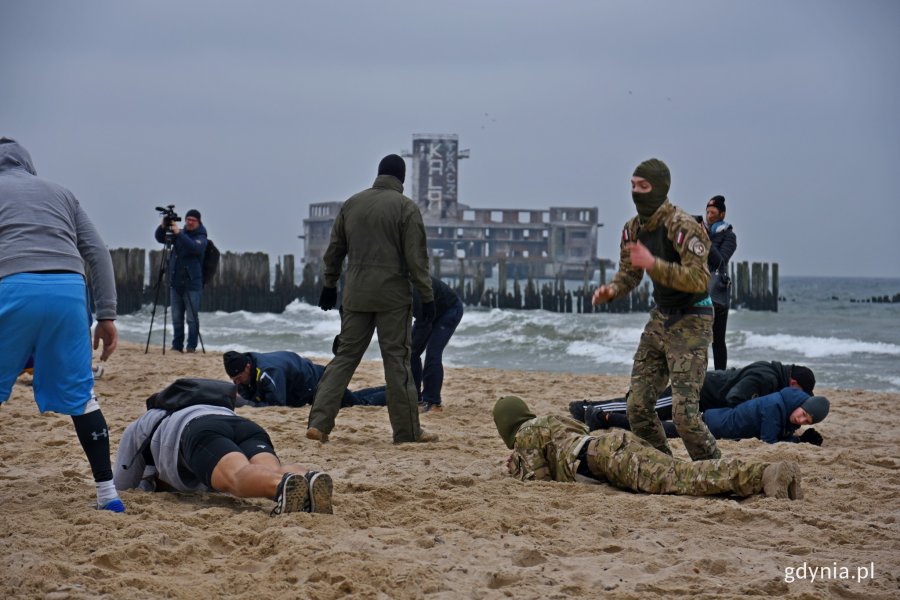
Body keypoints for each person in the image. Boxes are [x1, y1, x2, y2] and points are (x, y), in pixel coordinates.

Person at [0, 137, 123, 512]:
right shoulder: (60, 193)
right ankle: (108, 495)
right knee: (82, 397)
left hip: (11, 286)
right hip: (69, 291)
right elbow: (97, 252)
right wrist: (106, 315)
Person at [592, 158, 719, 461]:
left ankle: (714, 469)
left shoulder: (683, 226)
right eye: (632, 185)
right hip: (661, 318)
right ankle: (667, 466)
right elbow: (630, 273)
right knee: (636, 407)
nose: (636, 192)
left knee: (685, 417)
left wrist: (654, 264)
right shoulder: (632, 229)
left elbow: (700, 279)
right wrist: (612, 290)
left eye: (643, 186)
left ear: (660, 189)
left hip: (692, 319)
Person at [307, 154, 436, 444]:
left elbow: (335, 250)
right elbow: (417, 260)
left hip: (356, 294)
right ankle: (407, 432)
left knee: (344, 358)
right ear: (401, 179)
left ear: (379, 174)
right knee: (397, 362)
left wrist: (329, 284)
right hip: (393, 297)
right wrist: (426, 297)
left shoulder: (352, 204)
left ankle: (319, 424)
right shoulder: (406, 208)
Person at [493, 396, 802, 500]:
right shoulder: (549, 421)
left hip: (604, 458)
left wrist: (515, 468)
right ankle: (764, 476)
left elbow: (539, 483)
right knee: (679, 472)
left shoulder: (526, 434)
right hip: (612, 443)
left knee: (681, 478)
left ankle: (764, 474)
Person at [113, 381, 334, 515]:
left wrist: (147, 485)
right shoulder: (206, 405)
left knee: (237, 477)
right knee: (269, 470)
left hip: (199, 430)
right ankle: (308, 478)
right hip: (243, 425)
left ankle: (279, 485)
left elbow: (122, 486)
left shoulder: (141, 423)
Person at [571, 361, 816, 424]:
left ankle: (593, 409)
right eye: (801, 393)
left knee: (652, 413)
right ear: (793, 382)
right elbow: (736, 398)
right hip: (695, 389)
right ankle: (585, 408)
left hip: (702, 398)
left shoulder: (774, 376)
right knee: (647, 407)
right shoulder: (767, 377)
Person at [588, 387, 830, 446]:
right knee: (658, 429)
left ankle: (606, 418)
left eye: (807, 421)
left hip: (713, 421)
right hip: (710, 426)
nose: (801, 420)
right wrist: (799, 441)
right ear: (801, 404)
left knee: (660, 428)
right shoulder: (775, 407)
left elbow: (778, 433)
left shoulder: (783, 405)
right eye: (804, 415)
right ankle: (606, 418)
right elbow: (769, 440)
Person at [223, 350, 386, 408]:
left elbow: (276, 404)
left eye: (238, 378)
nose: (236, 383)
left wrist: (248, 404)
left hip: (320, 382)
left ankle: (399, 393)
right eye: (234, 380)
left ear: (247, 367)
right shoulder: (249, 368)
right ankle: (391, 388)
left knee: (357, 404)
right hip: (311, 382)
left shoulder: (269, 372)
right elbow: (250, 395)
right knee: (354, 397)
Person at [154, 208, 207, 353]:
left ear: (198, 222)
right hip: (175, 283)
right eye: (188, 219)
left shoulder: (201, 237)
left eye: (193, 220)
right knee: (176, 318)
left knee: (191, 318)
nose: (189, 222)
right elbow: (160, 238)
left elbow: (194, 248)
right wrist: (163, 226)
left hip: (192, 284)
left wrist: (179, 234)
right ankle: (177, 346)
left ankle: (191, 347)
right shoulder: (181, 233)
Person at [411, 276, 464, 413]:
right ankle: (415, 398)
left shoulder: (412, 287)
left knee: (433, 353)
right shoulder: (393, 287)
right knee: (411, 352)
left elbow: (424, 321)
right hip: (427, 312)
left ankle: (433, 402)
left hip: (449, 309)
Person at [705, 195, 737, 370]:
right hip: (698, 291)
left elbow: (720, 261)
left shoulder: (729, 237)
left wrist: (705, 240)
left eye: (713, 212)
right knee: (698, 339)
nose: (709, 216)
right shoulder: (702, 233)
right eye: (707, 212)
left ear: (722, 214)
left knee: (718, 340)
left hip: (717, 295)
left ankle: (720, 376)